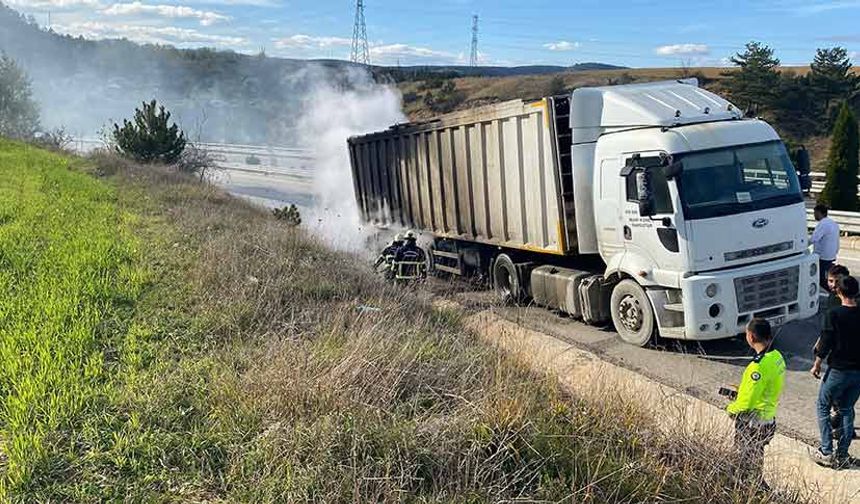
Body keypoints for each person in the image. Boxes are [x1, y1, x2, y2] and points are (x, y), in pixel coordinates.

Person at [726, 318, 785, 484]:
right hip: (768, 419)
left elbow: (746, 403)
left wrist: (731, 408)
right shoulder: (777, 356)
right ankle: (757, 483)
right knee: (756, 456)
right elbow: (766, 386)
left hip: (753, 423)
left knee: (744, 462)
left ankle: (748, 488)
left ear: (751, 337)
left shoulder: (757, 366)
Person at [810, 276, 860, 468]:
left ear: (839, 292)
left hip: (839, 369)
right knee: (847, 409)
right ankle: (843, 454)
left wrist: (816, 364)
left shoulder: (834, 314)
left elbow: (826, 341)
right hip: (858, 371)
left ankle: (826, 451)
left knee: (823, 405)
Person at [811, 204, 840, 290]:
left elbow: (814, 238)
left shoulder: (822, 224)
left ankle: (835, 292)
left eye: (815, 213)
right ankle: (836, 291)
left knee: (820, 278)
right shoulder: (833, 223)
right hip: (831, 254)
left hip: (823, 256)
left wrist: (802, 245)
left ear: (819, 213)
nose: (814, 215)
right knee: (828, 276)